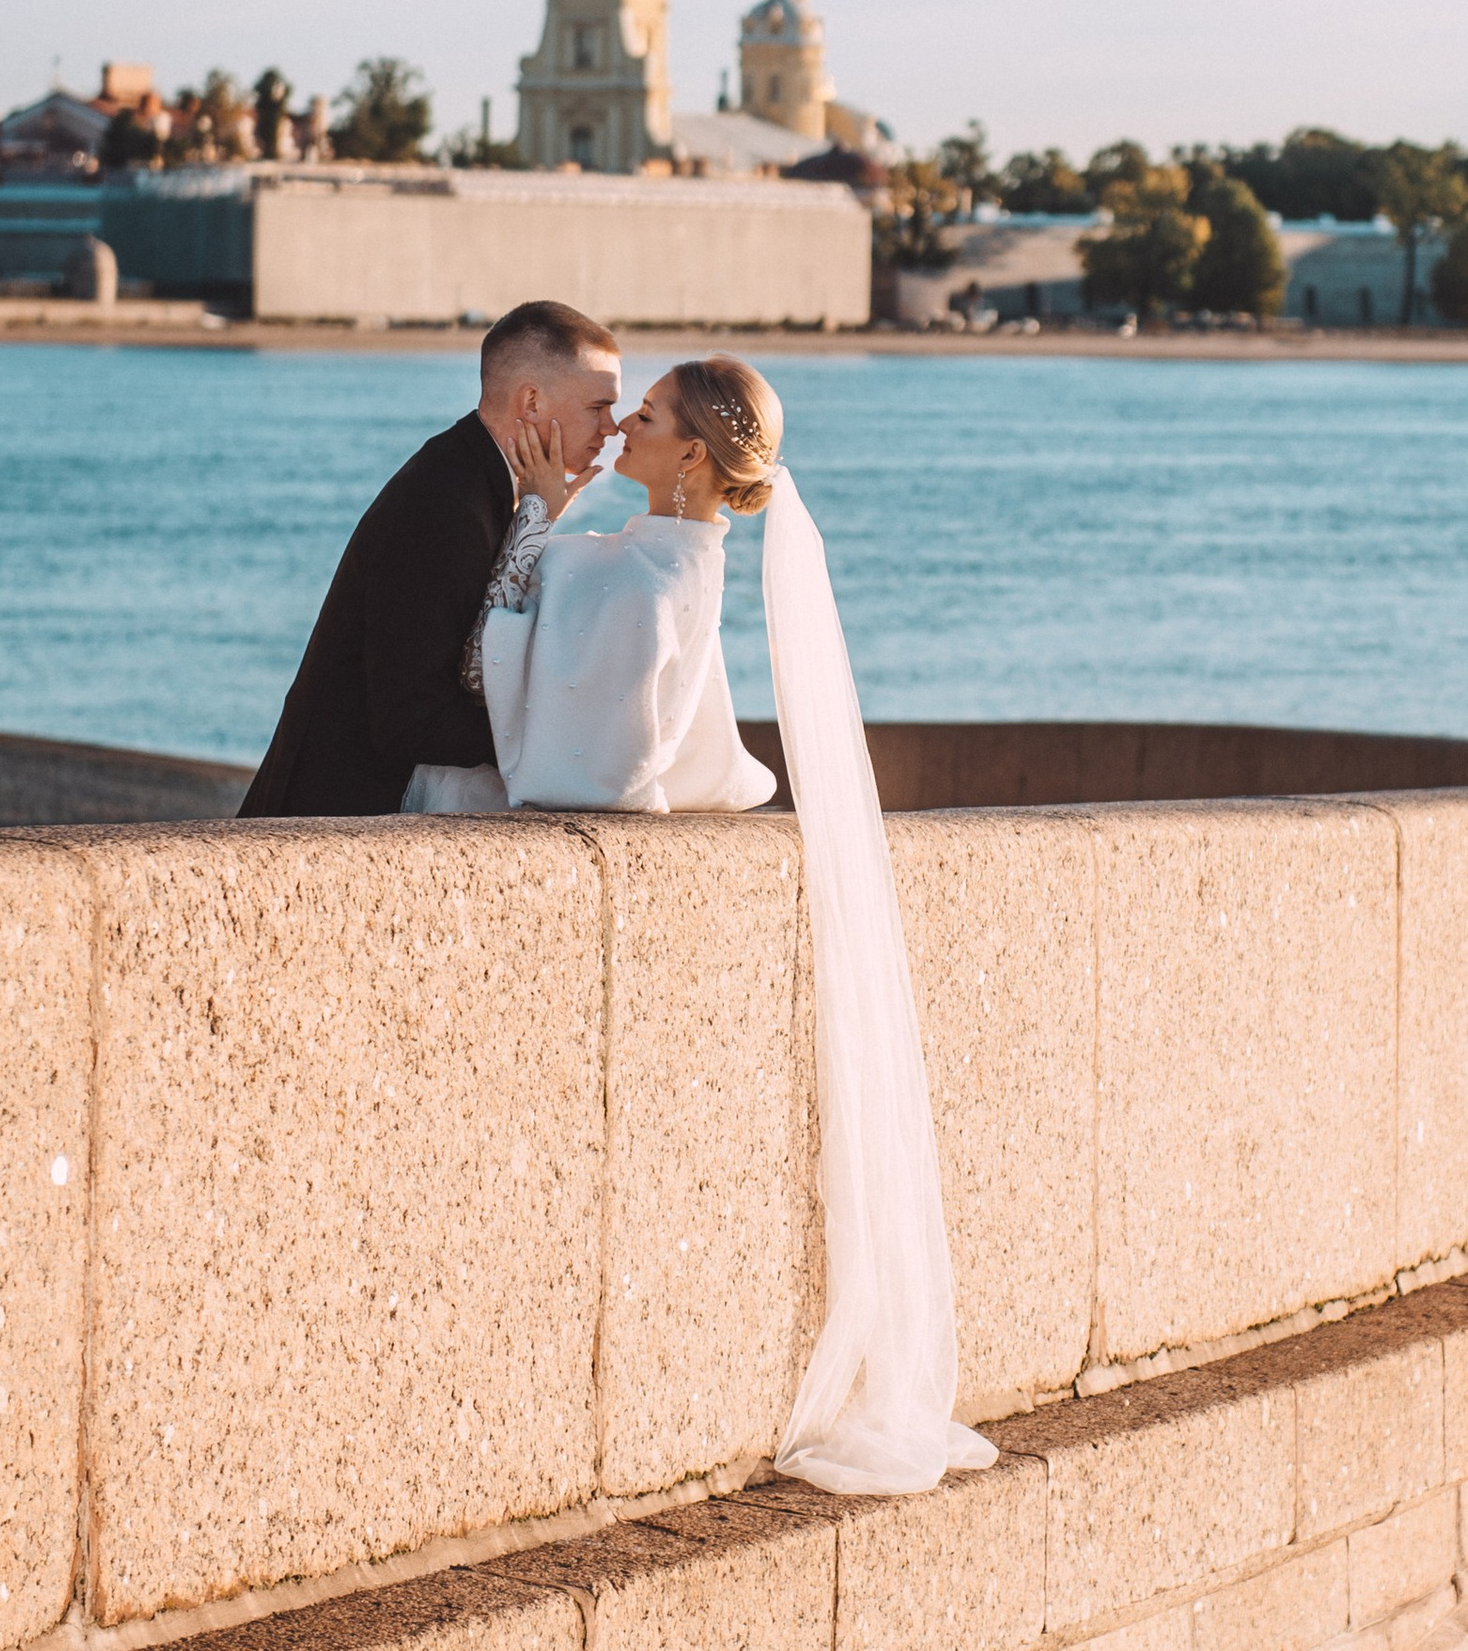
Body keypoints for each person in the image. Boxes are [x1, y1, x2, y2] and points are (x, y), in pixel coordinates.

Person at [415, 349, 994, 1502]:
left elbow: (556, 729)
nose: (624, 418)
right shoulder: (656, 560)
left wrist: (532, 513)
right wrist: (549, 521)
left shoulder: (649, 581)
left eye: (650, 409)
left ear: (688, 452)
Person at [237, 300, 621, 817]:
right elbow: (410, 720)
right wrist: (564, 736)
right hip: (331, 821)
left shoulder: (471, 477)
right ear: (530, 402)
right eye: (598, 407)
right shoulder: (444, 506)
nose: (612, 428)